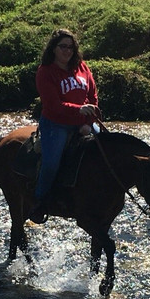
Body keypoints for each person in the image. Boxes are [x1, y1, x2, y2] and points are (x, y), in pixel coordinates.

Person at [28, 28, 100, 224]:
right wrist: (79, 110)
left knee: (108, 150)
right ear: (53, 48)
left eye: (71, 47)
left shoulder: (82, 67)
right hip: (56, 124)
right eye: (63, 47)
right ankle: (39, 201)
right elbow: (53, 105)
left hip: (83, 123)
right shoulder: (45, 72)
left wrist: (87, 122)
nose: (67, 51)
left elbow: (92, 97)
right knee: (51, 164)